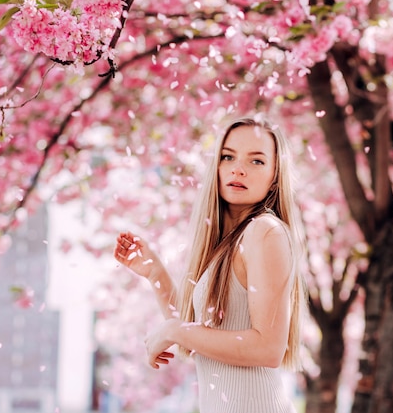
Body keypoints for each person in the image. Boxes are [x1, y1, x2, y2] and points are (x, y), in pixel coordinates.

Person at [114, 116, 305, 413]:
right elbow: (199, 333)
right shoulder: (227, 243)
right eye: (228, 156)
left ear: (275, 177)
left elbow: (268, 348)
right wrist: (155, 273)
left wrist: (174, 330)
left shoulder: (265, 231)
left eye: (256, 161)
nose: (237, 168)